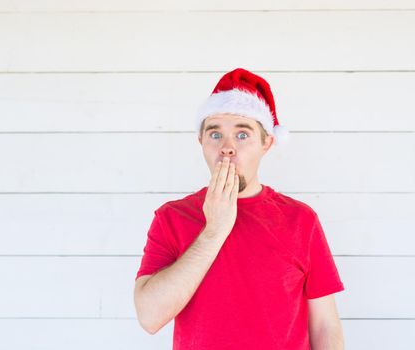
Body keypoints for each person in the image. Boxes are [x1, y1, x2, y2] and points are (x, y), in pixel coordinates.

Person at [133, 68, 345, 349]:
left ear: (266, 143)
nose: (227, 147)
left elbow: (325, 325)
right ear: (201, 142)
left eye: (242, 135)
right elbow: (149, 317)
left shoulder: (300, 219)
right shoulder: (171, 218)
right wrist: (214, 231)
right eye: (215, 134)